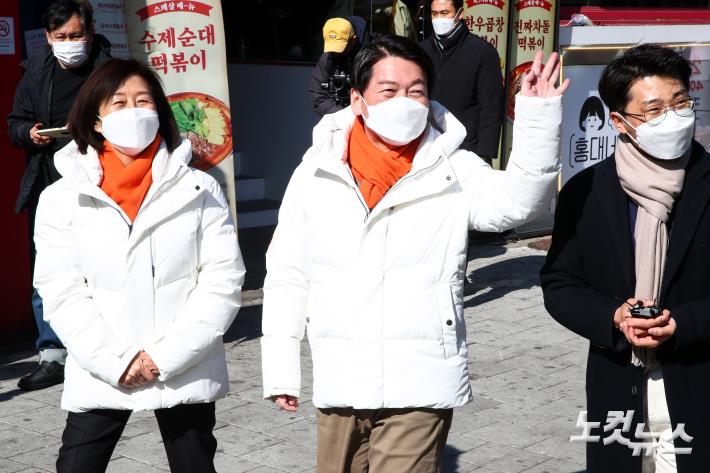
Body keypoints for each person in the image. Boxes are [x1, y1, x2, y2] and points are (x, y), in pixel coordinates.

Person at [262, 35, 567, 472]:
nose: (403, 101)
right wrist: (280, 369)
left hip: (422, 374)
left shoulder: (452, 167)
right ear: (358, 98)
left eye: (416, 90)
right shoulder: (316, 171)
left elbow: (517, 205)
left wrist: (537, 118)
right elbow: (288, 272)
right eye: (388, 90)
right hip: (341, 373)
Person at [32, 58, 245, 473]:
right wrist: (118, 361)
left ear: (160, 112)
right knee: (76, 464)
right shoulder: (62, 198)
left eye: (143, 101)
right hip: (103, 365)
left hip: (183, 364)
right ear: (95, 118)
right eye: (119, 103)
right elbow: (61, 289)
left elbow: (223, 279)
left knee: (195, 464)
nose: (133, 112)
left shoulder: (199, 188)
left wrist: (165, 357)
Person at [541, 44, 710, 472]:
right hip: (619, 385)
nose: (672, 118)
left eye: (680, 103)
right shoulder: (585, 192)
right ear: (619, 121)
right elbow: (561, 284)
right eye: (653, 110)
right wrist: (614, 317)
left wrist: (683, 324)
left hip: (697, 381)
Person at [7, 0, 112, 391]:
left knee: (101, 262)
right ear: (48, 37)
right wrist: (29, 134)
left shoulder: (110, 70)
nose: (70, 43)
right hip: (49, 181)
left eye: (76, 35)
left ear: (90, 31)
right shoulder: (35, 72)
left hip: (100, 179)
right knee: (49, 268)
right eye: (61, 37)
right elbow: (14, 123)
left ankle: (102, 347)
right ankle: (52, 354)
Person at [420, 0, 504, 164]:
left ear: (460, 14)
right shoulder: (421, 51)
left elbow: (491, 108)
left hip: (466, 149)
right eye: (434, 14)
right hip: (426, 147)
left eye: (445, 13)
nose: (438, 19)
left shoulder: (482, 52)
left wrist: (484, 155)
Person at [310, 17, 363, 116]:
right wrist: (343, 115)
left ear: (353, 40)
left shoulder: (370, 57)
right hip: (338, 118)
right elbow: (318, 96)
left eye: (340, 48)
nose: (335, 53)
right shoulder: (327, 58)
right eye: (332, 46)